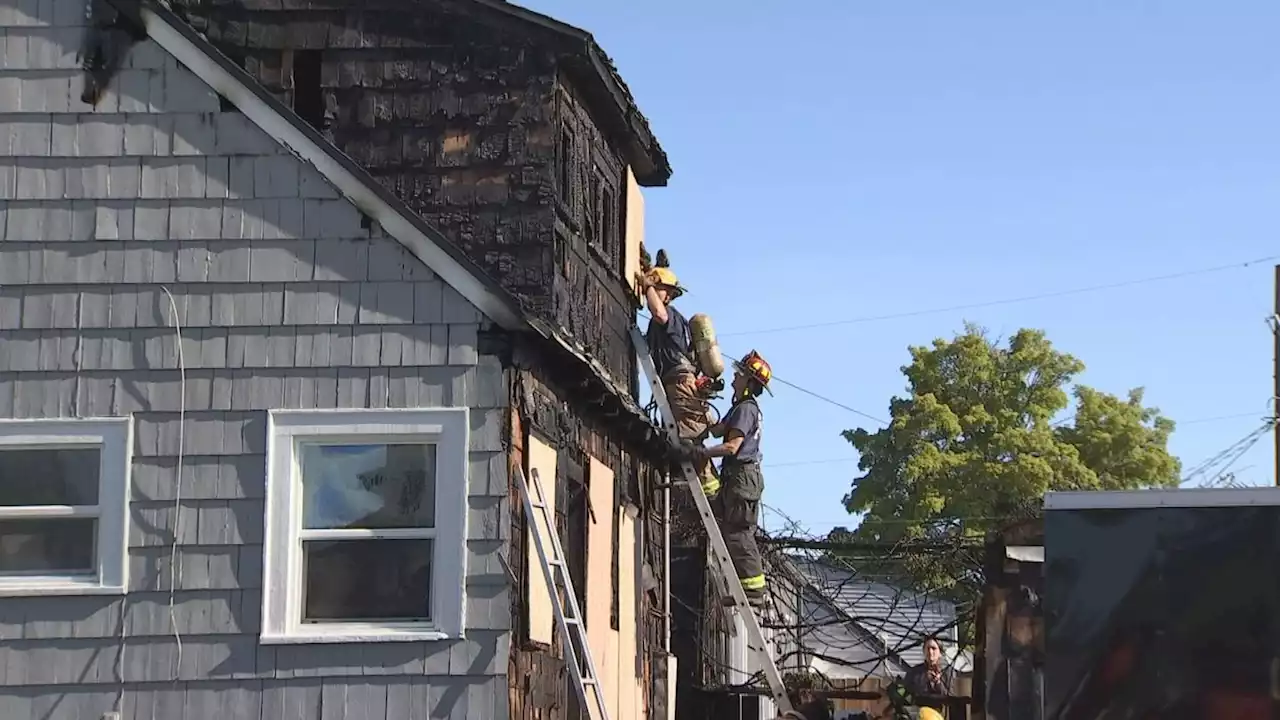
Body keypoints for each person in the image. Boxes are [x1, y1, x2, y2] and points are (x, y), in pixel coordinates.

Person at [697, 350, 773, 607]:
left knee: (738, 532)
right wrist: (701, 406)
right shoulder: (740, 408)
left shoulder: (747, 409)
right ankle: (748, 588)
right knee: (723, 521)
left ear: (750, 382)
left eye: (738, 375)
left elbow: (731, 447)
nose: (733, 379)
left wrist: (701, 452)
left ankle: (754, 591)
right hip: (736, 478)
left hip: (742, 478)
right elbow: (718, 429)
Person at [639, 265, 716, 492]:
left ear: (667, 293)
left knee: (687, 440)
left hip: (681, 383)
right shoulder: (675, 321)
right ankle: (703, 485)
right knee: (685, 438)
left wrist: (646, 285)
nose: (655, 293)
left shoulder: (669, 315)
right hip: (680, 383)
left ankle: (704, 490)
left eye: (660, 289)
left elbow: (659, 313)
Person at [903, 636, 954, 713]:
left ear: (940, 652)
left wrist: (938, 683)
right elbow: (907, 694)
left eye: (933, 648)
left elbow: (949, 697)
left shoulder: (946, 672)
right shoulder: (914, 672)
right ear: (923, 651)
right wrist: (925, 680)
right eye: (927, 648)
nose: (930, 652)